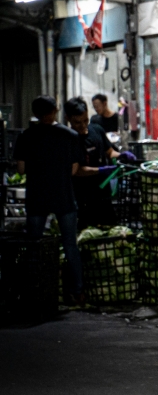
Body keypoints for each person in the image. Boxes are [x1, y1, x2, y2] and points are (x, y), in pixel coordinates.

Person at [13, 96, 85, 303]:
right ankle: (77, 291)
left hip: (37, 197)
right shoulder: (70, 135)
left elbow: (21, 168)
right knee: (70, 244)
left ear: (35, 113)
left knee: (34, 244)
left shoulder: (26, 136)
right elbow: (73, 169)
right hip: (63, 195)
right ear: (56, 110)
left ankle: (33, 291)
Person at [64, 97, 122, 229]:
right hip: (82, 198)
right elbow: (76, 171)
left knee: (109, 232)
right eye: (77, 122)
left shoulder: (97, 130)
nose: (83, 125)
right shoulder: (67, 139)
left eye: (85, 120)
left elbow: (109, 152)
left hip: (103, 195)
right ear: (68, 118)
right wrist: (101, 170)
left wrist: (121, 156)